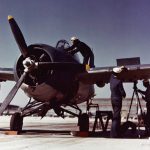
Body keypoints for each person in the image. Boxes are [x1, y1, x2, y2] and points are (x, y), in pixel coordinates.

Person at [110, 66, 126, 138]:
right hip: (117, 100)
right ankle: (113, 134)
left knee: (116, 115)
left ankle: (117, 131)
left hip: (112, 99)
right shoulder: (119, 81)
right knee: (116, 117)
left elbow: (114, 72)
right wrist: (124, 95)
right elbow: (122, 92)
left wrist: (121, 68)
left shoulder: (111, 79)